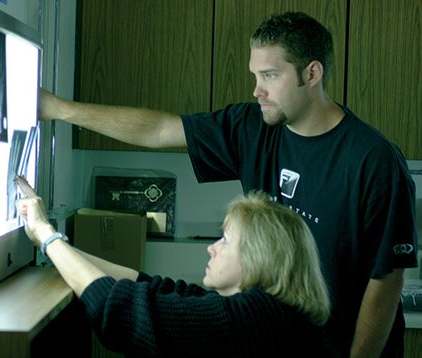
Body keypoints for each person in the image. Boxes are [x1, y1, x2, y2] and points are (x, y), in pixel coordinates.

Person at [39, 11, 419, 357]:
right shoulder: (252, 127)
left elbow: (385, 279)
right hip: (271, 339)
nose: (257, 90)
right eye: (255, 75)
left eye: (270, 75)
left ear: (312, 73)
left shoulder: (373, 160)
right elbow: (159, 129)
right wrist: (57, 109)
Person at [16, 177, 337, 357]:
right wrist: (59, 247)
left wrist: (47, 235)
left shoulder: (256, 319)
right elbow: (151, 287)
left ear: (259, 256)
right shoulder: (268, 313)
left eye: (225, 240)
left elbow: (120, 309)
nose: (212, 248)